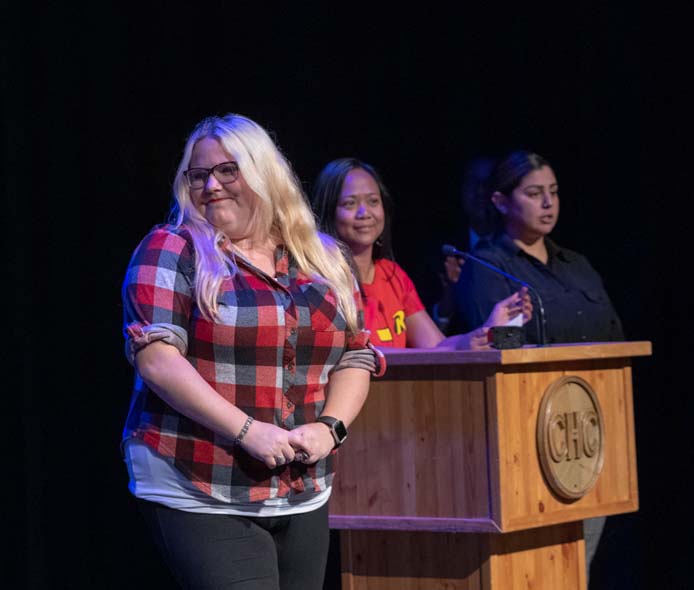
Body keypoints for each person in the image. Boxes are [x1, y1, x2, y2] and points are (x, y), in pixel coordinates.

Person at [121, 114, 384, 590]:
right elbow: (156, 358)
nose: (211, 185)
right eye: (198, 175)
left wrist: (330, 428)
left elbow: (356, 356)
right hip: (199, 480)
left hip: (303, 489)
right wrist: (247, 431)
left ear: (264, 172)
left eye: (228, 170)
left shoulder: (323, 258)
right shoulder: (173, 248)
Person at [452, 149, 625, 580]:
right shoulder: (489, 268)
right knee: (540, 570)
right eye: (534, 193)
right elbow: (494, 352)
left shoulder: (577, 266)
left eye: (553, 192)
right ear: (501, 202)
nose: (548, 203)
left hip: (590, 430)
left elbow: (614, 338)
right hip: (531, 437)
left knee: (578, 566)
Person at [310, 157, 532, 351]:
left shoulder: (393, 275)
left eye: (373, 201)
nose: (364, 213)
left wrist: (488, 331)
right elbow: (364, 356)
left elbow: (435, 347)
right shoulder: (320, 280)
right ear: (329, 211)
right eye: (350, 203)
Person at [433, 156, 498, 333]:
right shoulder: (445, 250)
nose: (481, 192)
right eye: (474, 183)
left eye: (489, 184)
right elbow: (430, 336)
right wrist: (450, 295)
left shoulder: (517, 246)